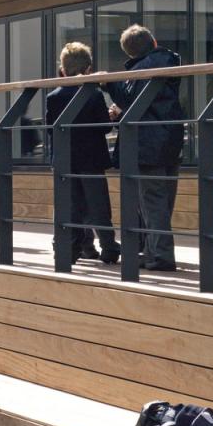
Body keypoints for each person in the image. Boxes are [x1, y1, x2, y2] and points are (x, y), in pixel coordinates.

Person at [106, 25, 185, 272]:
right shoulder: (170, 62)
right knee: (164, 201)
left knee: (152, 202)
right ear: (154, 41)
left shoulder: (140, 70)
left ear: (130, 54)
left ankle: (160, 255)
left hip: (147, 143)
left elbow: (131, 102)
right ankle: (154, 250)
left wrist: (108, 85)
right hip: (171, 139)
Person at [46, 42, 120, 265]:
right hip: (91, 159)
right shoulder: (94, 94)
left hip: (64, 160)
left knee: (69, 205)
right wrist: (112, 117)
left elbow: (52, 128)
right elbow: (104, 127)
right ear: (88, 70)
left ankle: (70, 248)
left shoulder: (53, 96)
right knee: (98, 205)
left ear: (62, 70)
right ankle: (108, 247)